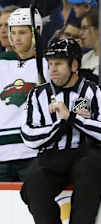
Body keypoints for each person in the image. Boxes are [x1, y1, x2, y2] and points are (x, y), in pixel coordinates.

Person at [20, 39, 101, 224]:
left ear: (74, 65)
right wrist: (61, 125)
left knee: (91, 171)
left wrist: (71, 117)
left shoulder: (92, 91)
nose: (53, 69)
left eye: (59, 64)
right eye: (50, 64)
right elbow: (29, 137)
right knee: (33, 185)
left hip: (86, 154)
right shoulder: (37, 95)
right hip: (53, 155)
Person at [0, 8, 48, 182]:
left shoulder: (50, 64)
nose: (16, 38)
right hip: (2, 154)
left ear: (37, 32)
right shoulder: (2, 63)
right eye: (13, 32)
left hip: (33, 152)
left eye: (22, 32)